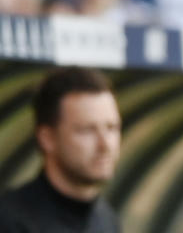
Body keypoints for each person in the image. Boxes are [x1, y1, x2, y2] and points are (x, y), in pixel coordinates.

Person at [0, 67, 122, 233]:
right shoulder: (10, 220)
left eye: (111, 127)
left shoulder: (107, 219)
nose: (105, 145)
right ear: (47, 138)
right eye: (87, 130)